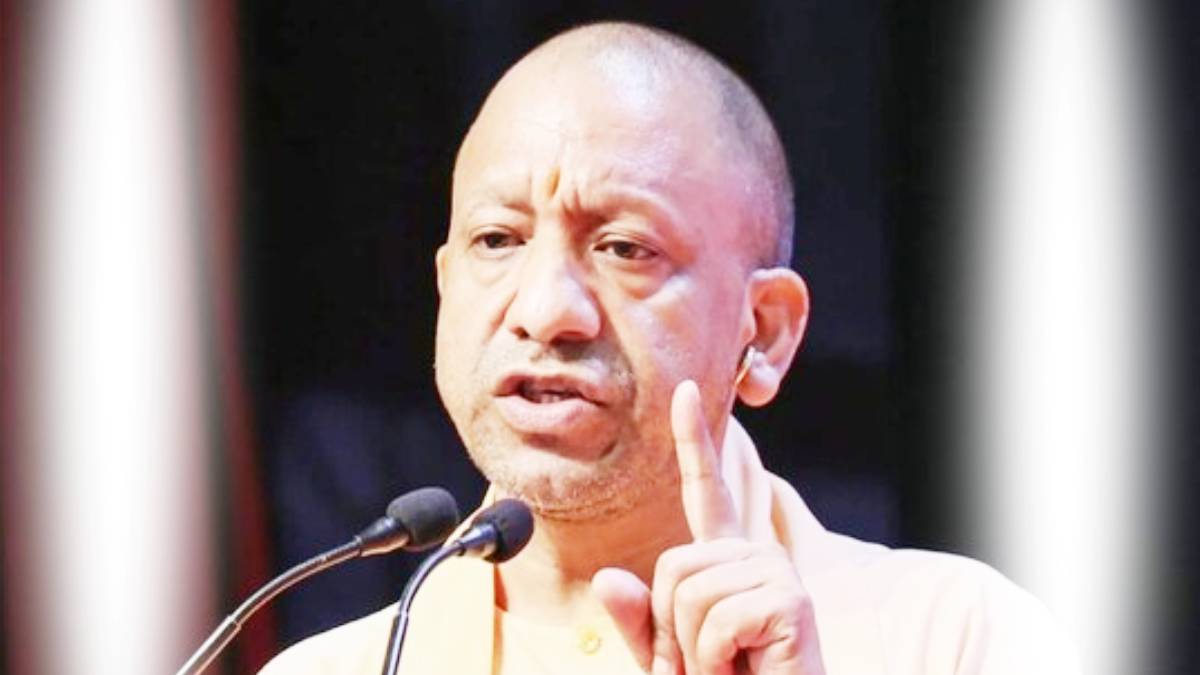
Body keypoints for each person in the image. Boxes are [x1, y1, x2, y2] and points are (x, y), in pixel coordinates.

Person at [261, 22, 1076, 675]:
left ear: (764, 332)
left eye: (624, 248)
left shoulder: (955, 637)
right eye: (497, 239)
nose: (545, 311)